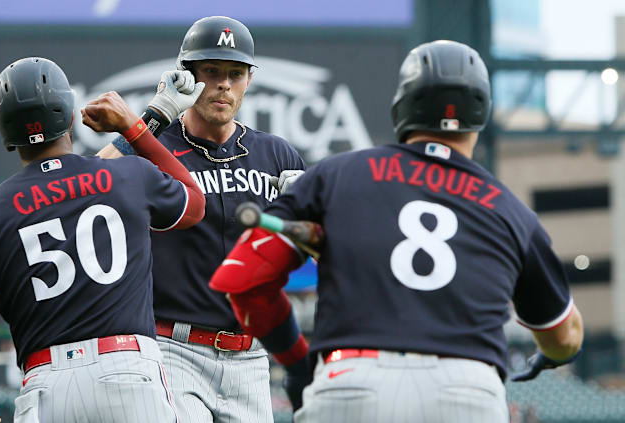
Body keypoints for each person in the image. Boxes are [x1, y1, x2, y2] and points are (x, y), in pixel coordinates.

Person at [210, 40, 584, 422]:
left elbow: (244, 281)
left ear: (402, 105)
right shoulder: (510, 210)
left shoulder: (335, 175)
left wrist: (296, 361)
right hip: (468, 388)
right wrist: (553, 356)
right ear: (481, 110)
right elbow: (565, 335)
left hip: (352, 381)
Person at [0, 57, 205, 423]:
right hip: (129, 370)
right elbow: (195, 204)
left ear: (5, 133)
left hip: (46, 389)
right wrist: (135, 128)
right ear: (71, 116)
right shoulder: (128, 175)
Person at [97, 15, 306, 423]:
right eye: (211, 71)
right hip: (174, 350)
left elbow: (319, 248)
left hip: (251, 357)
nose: (224, 84)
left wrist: (308, 217)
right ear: (186, 76)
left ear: (249, 80)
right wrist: (151, 120)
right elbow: (87, 189)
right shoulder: (151, 146)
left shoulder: (278, 156)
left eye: (235, 73)